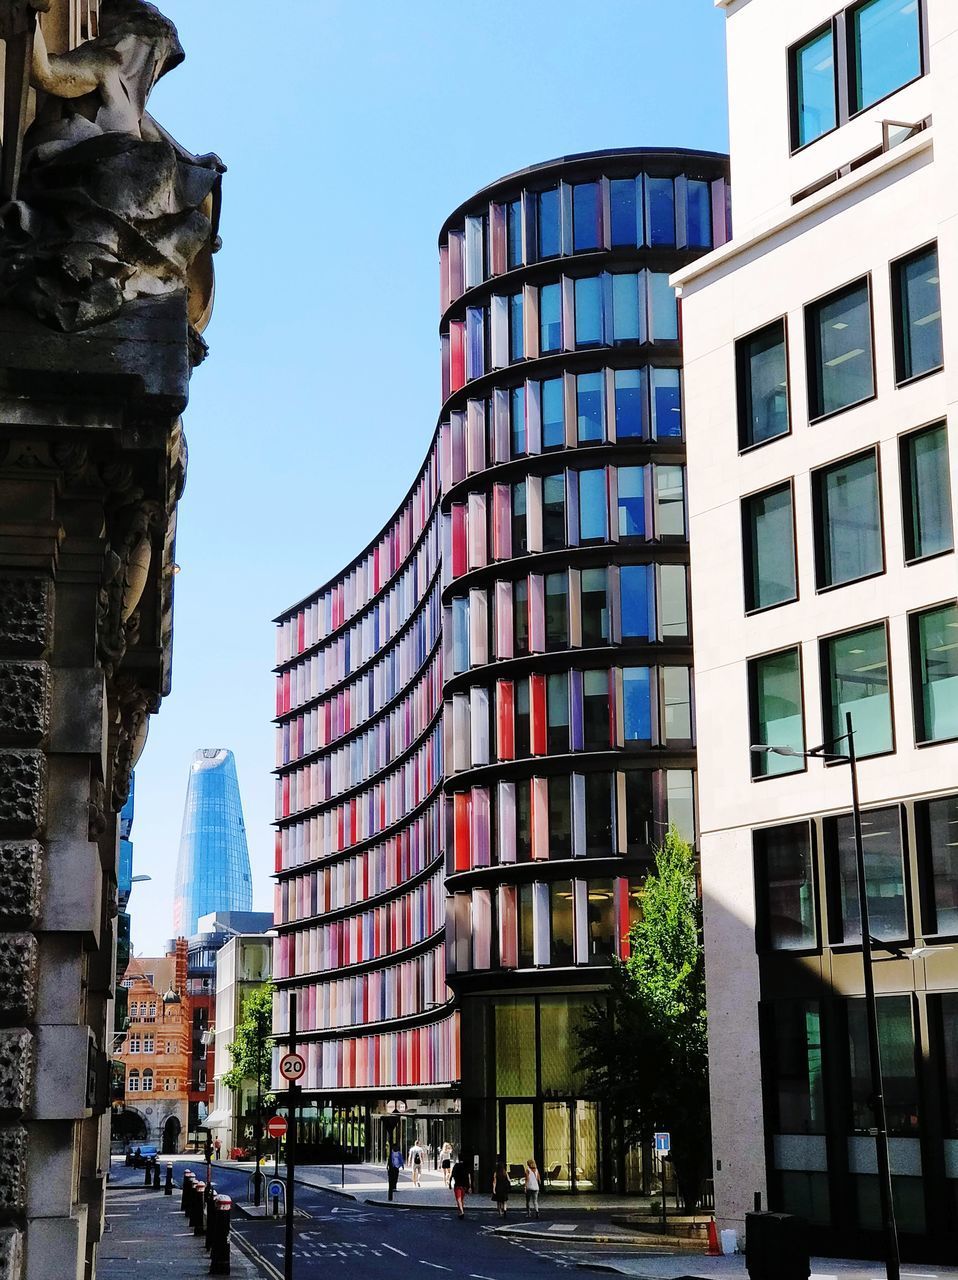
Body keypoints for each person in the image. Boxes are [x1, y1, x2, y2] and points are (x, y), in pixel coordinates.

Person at [450, 1152, 470, 1219]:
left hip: (457, 1184)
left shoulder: (456, 1166)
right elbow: (468, 1176)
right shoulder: (465, 1166)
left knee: (458, 1198)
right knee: (461, 1199)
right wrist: (469, 1186)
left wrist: (450, 1183)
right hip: (464, 1185)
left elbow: (452, 1174)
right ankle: (460, 1211)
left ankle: (461, 1211)